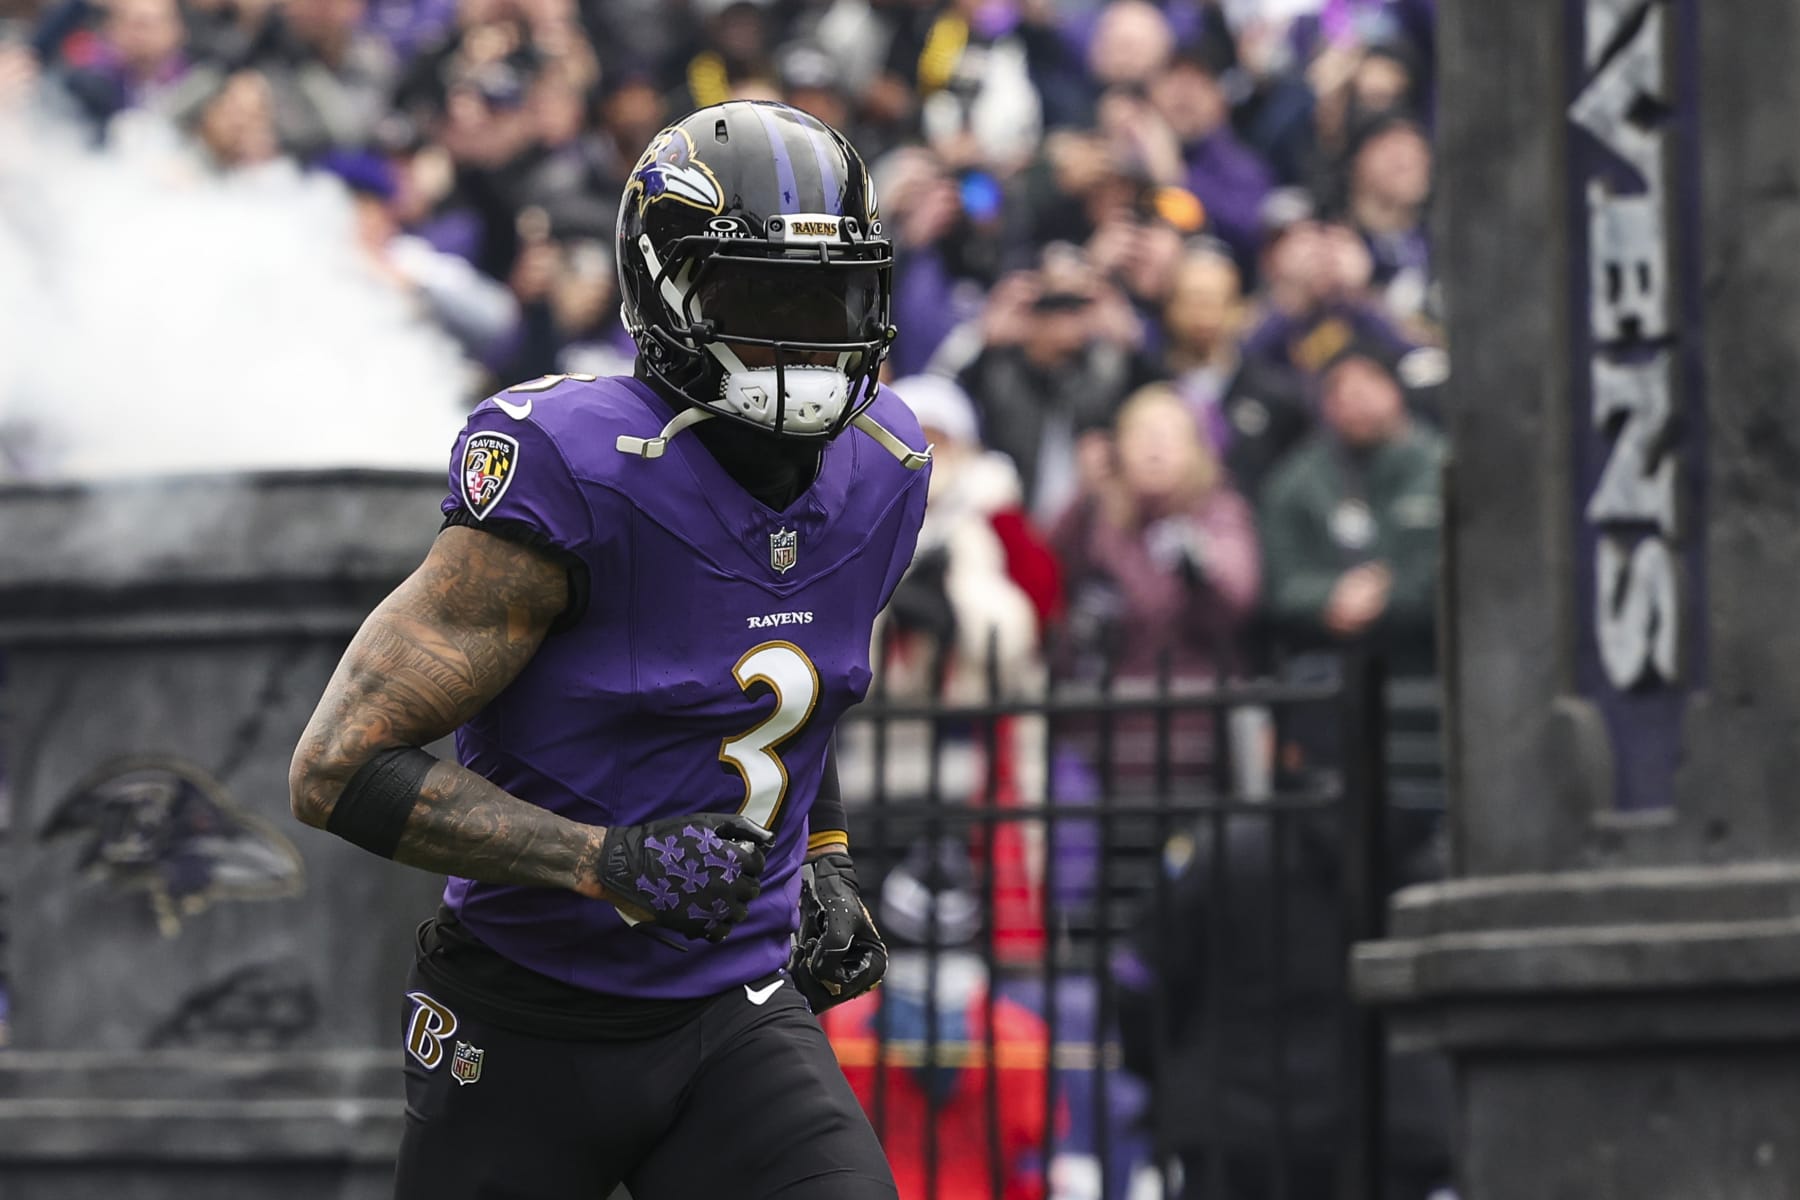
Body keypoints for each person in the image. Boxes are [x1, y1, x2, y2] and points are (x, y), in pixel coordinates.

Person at [288, 100, 934, 1199]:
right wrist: (606, 862)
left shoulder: (884, 466)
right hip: (528, 1012)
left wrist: (820, 854)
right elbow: (336, 767)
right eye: (761, 295)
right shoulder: (579, 468)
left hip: (732, 1010)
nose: (804, 336)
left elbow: (798, 694)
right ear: (665, 290)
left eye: (830, 299)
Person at [1259, 344, 1443, 678]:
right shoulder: (1296, 480)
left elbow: (1460, 574)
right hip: (1329, 668)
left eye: (1368, 384)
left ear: (1395, 389)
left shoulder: (1441, 468)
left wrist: (1387, 593)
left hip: (1428, 665)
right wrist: (1330, 596)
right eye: (1338, 389)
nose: (1354, 399)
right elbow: (1281, 582)